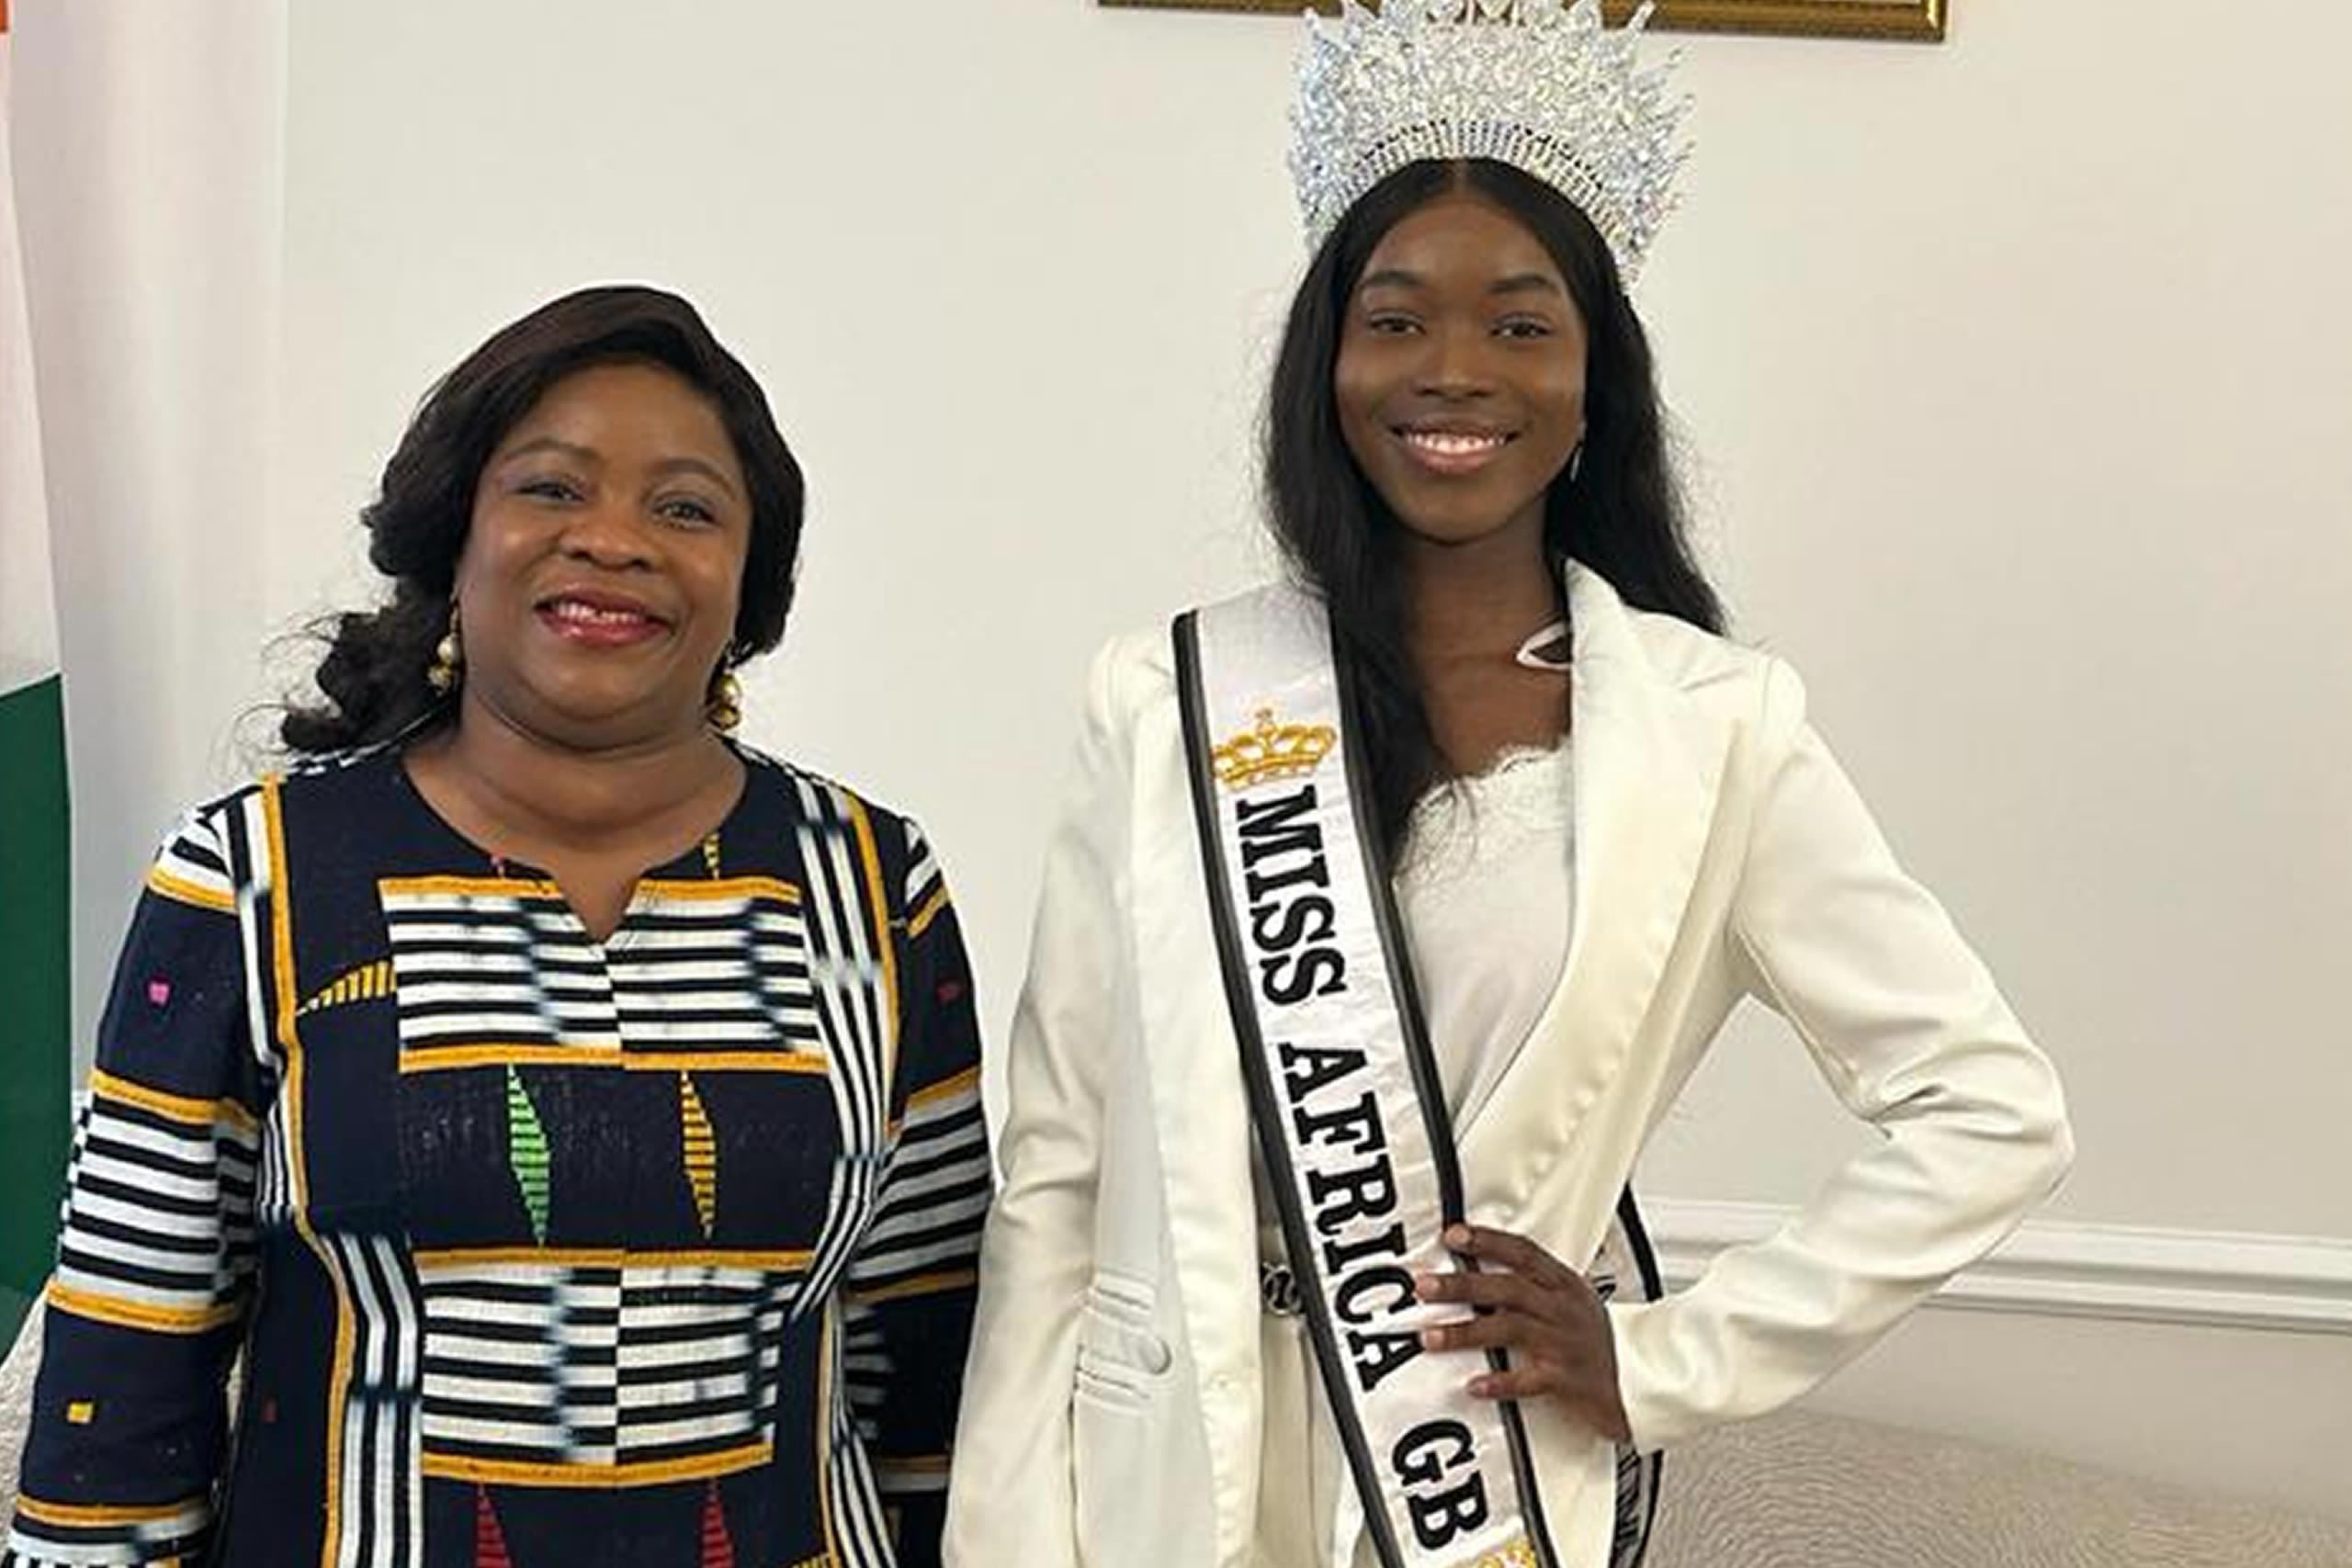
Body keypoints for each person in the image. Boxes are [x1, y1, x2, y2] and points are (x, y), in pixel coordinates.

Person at [944, 5, 2072, 1566]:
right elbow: (1058, 1173)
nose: (1455, 370)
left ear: (1593, 382)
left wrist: (1666, 1356)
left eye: (1522, 325)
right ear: (1328, 365)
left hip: (1480, 1475)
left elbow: (1992, 1112)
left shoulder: (1713, 729)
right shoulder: (1164, 697)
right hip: (1172, 1470)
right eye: (1397, 320)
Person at [5, 286, 989, 1568]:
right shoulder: (254, 876)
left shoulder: (870, 881)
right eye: (551, 490)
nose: (615, 541)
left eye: (686, 508)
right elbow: (123, 1382)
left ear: (750, 587)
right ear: (452, 538)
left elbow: (933, 1373)